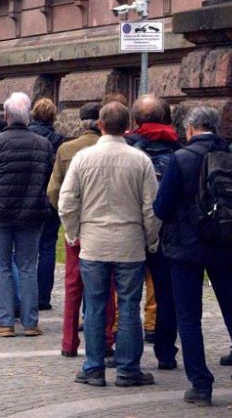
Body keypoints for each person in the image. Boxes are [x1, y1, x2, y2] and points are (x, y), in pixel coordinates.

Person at [153, 105, 232, 406]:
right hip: (227, 243)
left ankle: (201, 385)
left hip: (185, 248)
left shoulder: (181, 158)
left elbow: (161, 207)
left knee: (189, 316)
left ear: (190, 128)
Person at [60, 102, 160, 388]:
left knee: (95, 305)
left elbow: (67, 202)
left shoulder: (83, 158)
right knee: (129, 306)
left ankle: (93, 367)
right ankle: (128, 369)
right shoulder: (140, 160)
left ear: (100, 124)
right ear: (127, 126)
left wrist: (73, 232)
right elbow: (150, 209)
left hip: (93, 242)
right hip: (130, 243)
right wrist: (151, 239)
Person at [0, 93, 55, 337]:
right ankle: (30, 322)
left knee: (1, 266)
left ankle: (6, 321)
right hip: (32, 212)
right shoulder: (43, 144)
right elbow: (49, 179)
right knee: (28, 265)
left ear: (6, 116)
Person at [47, 102, 116, 357]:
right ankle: (106, 340)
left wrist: (69, 223)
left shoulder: (67, 149)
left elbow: (54, 191)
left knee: (73, 286)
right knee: (107, 287)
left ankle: (68, 342)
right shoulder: (119, 151)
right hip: (106, 227)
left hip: (76, 227)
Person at [125, 94, 181, 367]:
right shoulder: (178, 149)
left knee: (126, 293)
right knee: (165, 293)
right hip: (167, 230)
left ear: (136, 120)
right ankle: (166, 352)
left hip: (131, 229)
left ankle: (126, 352)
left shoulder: (128, 148)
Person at [27, 98, 64, 311]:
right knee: (47, 248)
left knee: (25, 250)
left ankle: (27, 294)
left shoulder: (27, 136)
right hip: (49, 199)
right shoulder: (58, 140)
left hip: (28, 198)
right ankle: (43, 296)